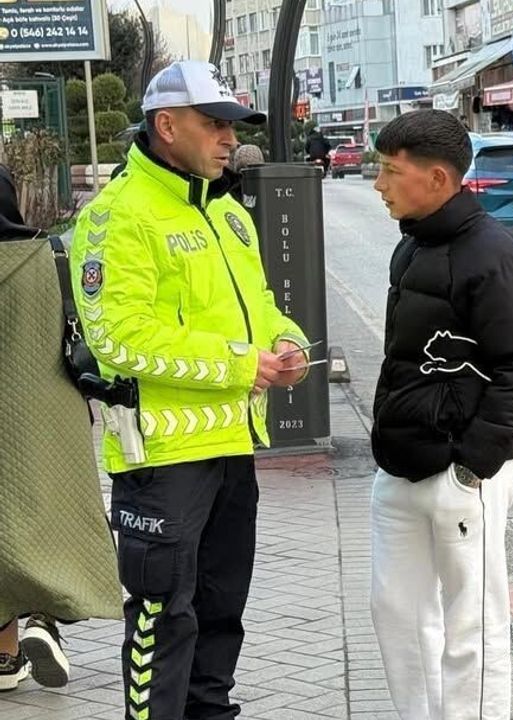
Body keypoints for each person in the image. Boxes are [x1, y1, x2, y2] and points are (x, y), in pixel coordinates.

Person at [68, 60, 312, 720]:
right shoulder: (116, 217)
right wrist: (240, 364)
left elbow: (260, 307)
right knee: (161, 626)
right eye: (214, 124)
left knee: (220, 617)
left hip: (231, 447)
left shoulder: (228, 213)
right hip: (161, 463)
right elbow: (119, 336)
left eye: (232, 125)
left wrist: (290, 345)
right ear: (166, 125)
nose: (229, 138)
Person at [367, 109, 513, 720]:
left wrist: (472, 466)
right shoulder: (411, 245)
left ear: (439, 178)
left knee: (470, 625)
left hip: (461, 472)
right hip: (400, 466)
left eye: (391, 171)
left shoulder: (493, 256)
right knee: (396, 614)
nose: (379, 183)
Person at [0, 163, 121, 692]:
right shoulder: (48, 255)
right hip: (50, 409)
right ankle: (46, 621)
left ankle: (5, 656)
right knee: (54, 517)